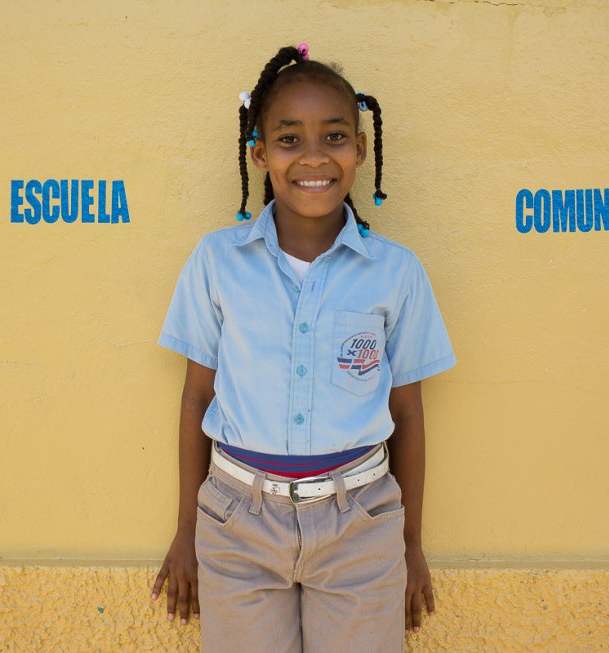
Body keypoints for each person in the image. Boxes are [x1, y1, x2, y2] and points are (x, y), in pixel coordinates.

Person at [150, 43, 456, 652]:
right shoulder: (217, 262)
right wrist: (187, 532)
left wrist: (410, 546)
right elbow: (196, 401)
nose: (313, 157)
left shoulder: (395, 273)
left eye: (335, 136)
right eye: (289, 140)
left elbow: (407, 415)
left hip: (361, 525)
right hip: (237, 523)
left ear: (361, 149)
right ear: (259, 153)